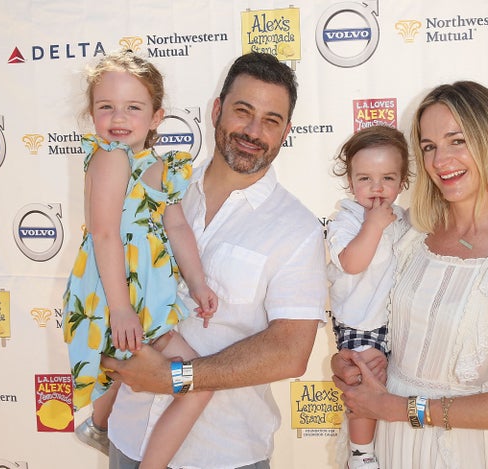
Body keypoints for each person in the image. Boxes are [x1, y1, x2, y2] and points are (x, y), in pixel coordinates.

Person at [332, 81, 488, 468]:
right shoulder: (408, 231)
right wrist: (351, 363)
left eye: (457, 140)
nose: (440, 160)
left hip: (455, 451)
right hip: (383, 441)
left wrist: (398, 408)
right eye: (428, 147)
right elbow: (365, 310)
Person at [100, 52, 328, 469]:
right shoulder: (158, 183)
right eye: (243, 112)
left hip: (225, 454)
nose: (253, 131)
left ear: (286, 132)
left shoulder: (299, 229)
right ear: (217, 110)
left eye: (271, 121)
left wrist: (177, 378)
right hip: (128, 439)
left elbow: (290, 353)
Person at [61, 50, 218, 469]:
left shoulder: (160, 167)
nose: (118, 117)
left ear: (155, 117)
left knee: (129, 368)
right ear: (91, 113)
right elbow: (105, 232)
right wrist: (121, 308)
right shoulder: (110, 157)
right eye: (105, 106)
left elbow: (178, 227)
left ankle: (98, 426)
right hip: (121, 294)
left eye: (133, 107)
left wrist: (199, 283)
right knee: (198, 384)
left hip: (141, 298)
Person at [326, 125, 411, 469]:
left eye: (387, 178)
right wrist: (372, 226)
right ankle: (361, 455)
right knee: (362, 381)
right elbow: (351, 262)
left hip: (396, 324)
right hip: (360, 322)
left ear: (403, 181)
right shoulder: (346, 219)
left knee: (389, 390)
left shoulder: (404, 219)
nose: (376, 189)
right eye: (365, 179)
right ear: (350, 181)